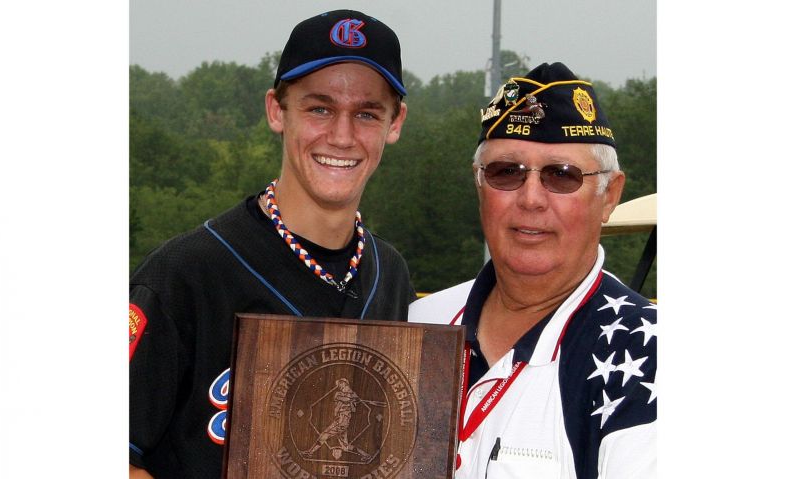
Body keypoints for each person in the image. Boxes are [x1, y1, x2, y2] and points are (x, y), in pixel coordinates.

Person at [129, 10, 414, 478]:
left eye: (366, 113)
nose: (342, 136)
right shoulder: (185, 274)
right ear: (276, 111)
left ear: (395, 123)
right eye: (319, 108)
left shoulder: (392, 274)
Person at [409, 62, 657, 478]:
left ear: (609, 195)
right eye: (507, 172)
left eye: (561, 176)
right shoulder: (417, 326)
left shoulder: (647, 355)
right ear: (478, 183)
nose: (531, 199)